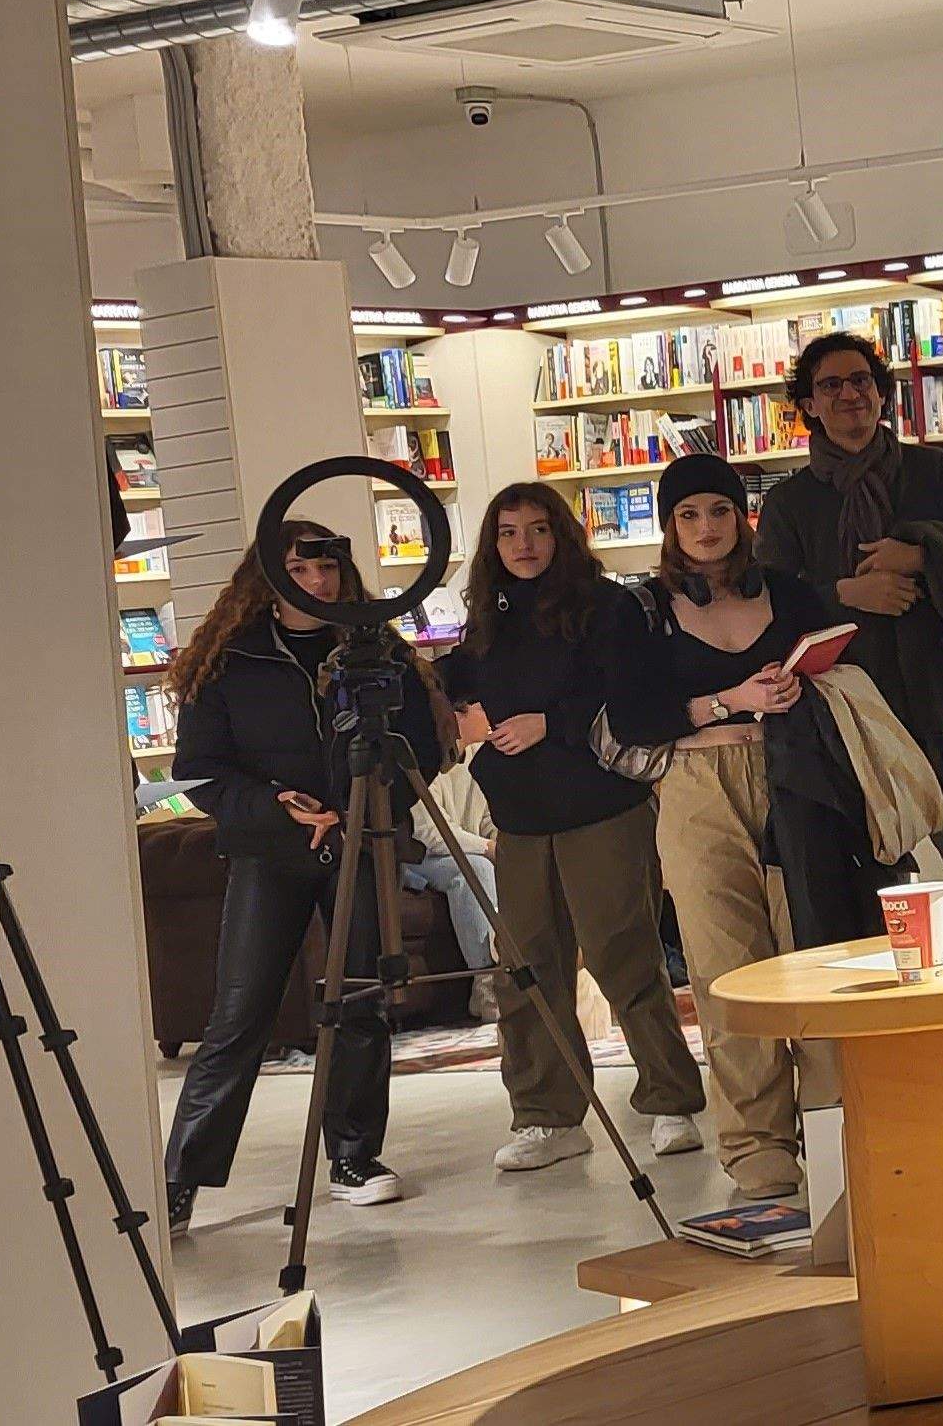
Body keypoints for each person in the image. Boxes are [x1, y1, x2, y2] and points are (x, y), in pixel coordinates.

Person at [161, 522, 446, 1233]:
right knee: (240, 1011)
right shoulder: (229, 660)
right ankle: (180, 1179)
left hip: (363, 837)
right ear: (270, 577)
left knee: (360, 1000)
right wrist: (277, 808)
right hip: (271, 847)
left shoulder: (378, 654)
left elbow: (423, 750)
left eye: (328, 568)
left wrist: (372, 806)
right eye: (300, 568)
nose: (318, 583)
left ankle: (355, 1157)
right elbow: (199, 771)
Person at [440, 482, 706, 1174]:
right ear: (492, 545)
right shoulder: (487, 621)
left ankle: (671, 1099)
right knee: (524, 969)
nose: (522, 545)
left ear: (561, 534)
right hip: (521, 818)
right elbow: (459, 681)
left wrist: (551, 724)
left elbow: (633, 695)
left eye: (536, 529)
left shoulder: (609, 606)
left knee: (625, 954)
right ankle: (547, 1115)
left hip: (601, 807)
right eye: (507, 533)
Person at [755, 331, 943, 921]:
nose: (849, 395)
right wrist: (846, 593)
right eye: (831, 385)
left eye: (861, 380)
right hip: (856, 734)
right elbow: (771, 609)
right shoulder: (791, 503)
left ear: (882, 393)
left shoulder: (932, 473)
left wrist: (921, 555)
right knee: (876, 916)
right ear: (809, 405)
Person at [609, 453, 840, 1198]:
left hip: (793, 779)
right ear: (669, 526)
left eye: (717, 511)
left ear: (741, 517)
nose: (705, 528)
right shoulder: (640, 609)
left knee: (815, 946)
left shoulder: (790, 592)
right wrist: (730, 699)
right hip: (696, 786)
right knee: (725, 962)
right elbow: (635, 718)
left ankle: (836, 1116)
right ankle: (755, 1141)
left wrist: (797, 684)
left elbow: (837, 667)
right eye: (687, 515)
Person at [399, 760, 501, 1021]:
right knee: (475, 868)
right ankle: (487, 985)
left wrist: (506, 846)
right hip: (419, 856)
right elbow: (428, 833)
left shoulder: (480, 754)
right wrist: (487, 847)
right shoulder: (427, 756)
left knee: (515, 863)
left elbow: (489, 817)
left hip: (464, 848)